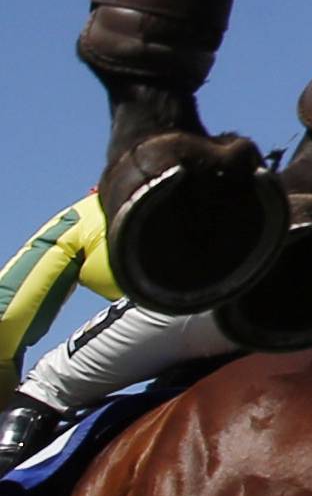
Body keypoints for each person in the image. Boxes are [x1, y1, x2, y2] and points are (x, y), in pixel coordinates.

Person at [0, 192, 240, 472]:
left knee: (48, 385)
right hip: (288, 301)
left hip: (205, 290)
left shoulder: (96, 207)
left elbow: (8, 316)